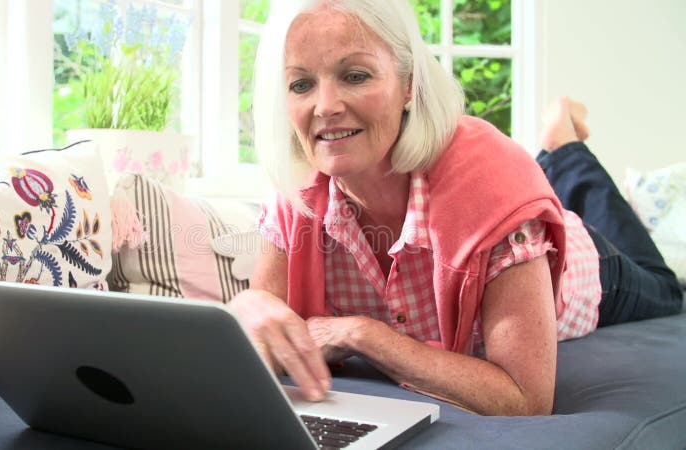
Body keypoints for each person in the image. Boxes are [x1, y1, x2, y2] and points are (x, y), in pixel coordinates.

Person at [228, 0, 682, 416]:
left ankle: (562, 145)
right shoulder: (298, 195)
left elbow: (524, 399)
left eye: (356, 75)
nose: (325, 106)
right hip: (509, 195)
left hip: (593, 264)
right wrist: (246, 308)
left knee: (666, 286)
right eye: (301, 83)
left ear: (409, 84)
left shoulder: (497, 184)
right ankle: (555, 159)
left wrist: (365, 335)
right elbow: (267, 323)